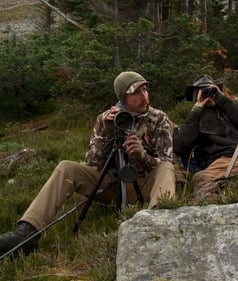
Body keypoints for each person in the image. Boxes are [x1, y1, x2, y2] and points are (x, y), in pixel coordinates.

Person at [0, 71, 176, 257]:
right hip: (113, 185)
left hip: (146, 184)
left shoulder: (158, 118)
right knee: (67, 167)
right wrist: (107, 132)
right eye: (136, 93)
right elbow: (93, 162)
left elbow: (165, 159)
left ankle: (160, 225)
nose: (144, 97)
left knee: (166, 167)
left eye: (145, 90)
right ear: (123, 97)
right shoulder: (107, 118)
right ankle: (27, 233)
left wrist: (141, 155)